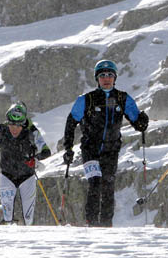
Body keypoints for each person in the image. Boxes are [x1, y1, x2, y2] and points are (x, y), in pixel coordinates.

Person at [62, 60, 149, 227]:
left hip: (111, 150)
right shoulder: (86, 100)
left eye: (110, 75)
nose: (106, 78)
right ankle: (92, 223)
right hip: (90, 150)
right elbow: (71, 123)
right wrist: (68, 147)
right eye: (102, 75)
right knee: (95, 183)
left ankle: (106, 224)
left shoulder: (122, 98)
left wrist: (142, 122)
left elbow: (137, 122)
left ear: (115, 77)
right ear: (97, 79)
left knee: (108, 187)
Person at [0, 103, 52, 224]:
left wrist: (35, 159)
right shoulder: (0, 128)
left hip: (27, 176)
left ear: (23, 123)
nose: (14, 128)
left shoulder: (32, 131)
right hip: (7, 175)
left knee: (28, 216)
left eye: (18, 125)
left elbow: (46, 151)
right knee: (7, 213)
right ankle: (9, 238)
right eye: (12, 124)